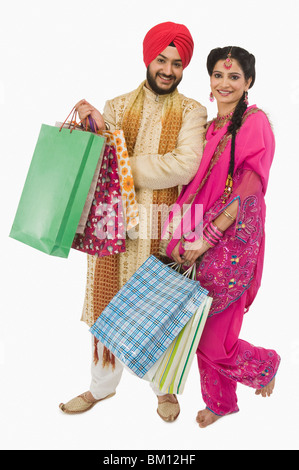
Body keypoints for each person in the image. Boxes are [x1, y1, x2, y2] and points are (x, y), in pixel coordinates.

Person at [59, 22, 207, 422]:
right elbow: (98, 159)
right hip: (113, 223)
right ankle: (101, 387)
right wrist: (93, 128)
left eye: (177, 63)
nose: (168, 69)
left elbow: (184, 166)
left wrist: (119, 158)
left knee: (160, 307)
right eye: (162, 59)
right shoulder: (118, 106)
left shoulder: (194, 111)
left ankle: (165, 389)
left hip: (163, 226)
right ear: (149, 58)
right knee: (107, 307)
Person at [162, 46, 280, 427]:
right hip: (194, 236)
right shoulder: (211, 127)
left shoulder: (254, 122)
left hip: (228, 244)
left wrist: (208, 238)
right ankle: (220, 403)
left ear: (248, 82)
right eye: (217, 75)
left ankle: (264, 365)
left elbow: (249, 188)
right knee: (198, 329)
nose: (224, 82)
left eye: (233, 76)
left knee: (216, 341)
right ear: (209, 81)